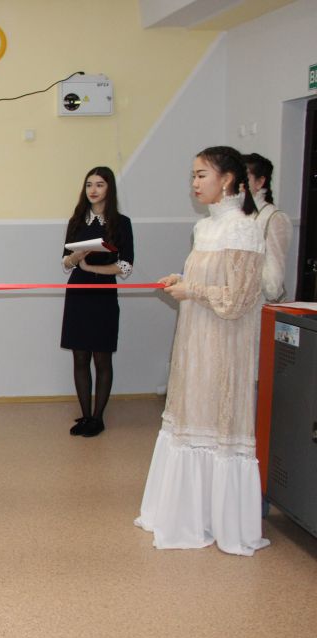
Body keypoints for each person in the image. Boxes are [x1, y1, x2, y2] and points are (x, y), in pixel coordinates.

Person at [136, 146, 270, 556]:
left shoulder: (244, 229)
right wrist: (181, 279)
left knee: (216, 422)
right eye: (192, 175)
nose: (194, 183)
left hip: (224, 346)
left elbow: (238, 299)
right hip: (195, 341)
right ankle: (188, 515)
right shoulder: (205, 227)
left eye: (201, 175)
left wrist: (191, 289)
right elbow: (208, 281)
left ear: (227, 180)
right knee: (189, 420)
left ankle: (220, 520)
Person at [60, 167, 134, 437]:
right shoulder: (77, 220)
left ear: (109, 189)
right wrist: (76, 257)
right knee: (80, 356)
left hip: (103, 293)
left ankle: (98, 418)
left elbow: (125, 266)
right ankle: (86, 416)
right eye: (89, 184)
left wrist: (93, 268)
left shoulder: (121, 222)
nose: (93, 190)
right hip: (78, 293)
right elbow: (65, 262)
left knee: (102, 358)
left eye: (99, 184)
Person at [243, 153, 292, 303]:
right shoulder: (233, 214)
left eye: (243, 177)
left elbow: (273, 285)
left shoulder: (274, 218)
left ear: (260, 182)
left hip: (259, 303)